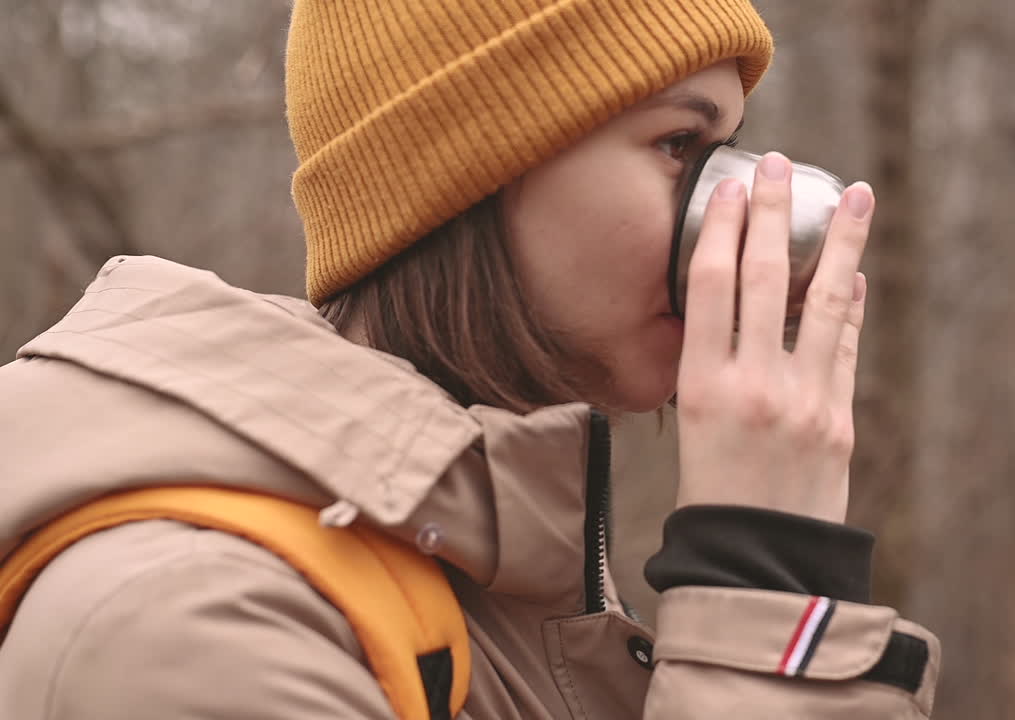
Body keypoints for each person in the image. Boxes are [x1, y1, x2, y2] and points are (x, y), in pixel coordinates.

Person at [0, 1, 939, 718]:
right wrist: (761, 590)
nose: (735, 215)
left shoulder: (506, 570)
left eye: (728, 150)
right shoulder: (190, 627)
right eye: (679, 144)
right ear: (474, 165)